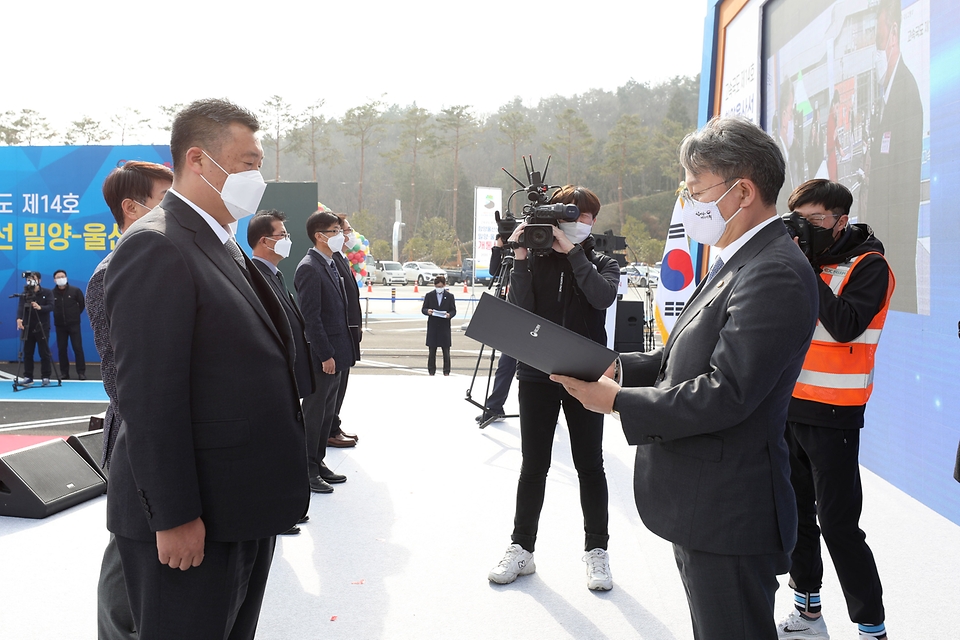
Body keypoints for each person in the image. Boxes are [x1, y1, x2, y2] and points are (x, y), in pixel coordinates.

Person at [552, 117, 820, 638]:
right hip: (702, 501)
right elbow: (683, 357)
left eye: (695, 190)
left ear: (742, 191)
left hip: (730, 511)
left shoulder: (775, 272)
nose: (689, 203)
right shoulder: (736, 259)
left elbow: (727, 392)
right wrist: (616, 367)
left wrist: (617, 402)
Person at [103, 98, 308, 640]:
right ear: (198, 160)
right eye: (247, 163)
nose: (257, 178)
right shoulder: (157, 245)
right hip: (193, 520)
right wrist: (172, 516)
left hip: (238, 505)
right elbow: (148, 399)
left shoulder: (221, 243)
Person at [776, 180, 894, 640]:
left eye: (814, 221)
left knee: (840, 526)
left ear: (840, 220)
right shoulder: (803, 261)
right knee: (797, 515)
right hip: (790, 407)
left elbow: (845, 325)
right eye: (797, 220)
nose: (803, 230)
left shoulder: (869, 265)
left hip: (835, 413)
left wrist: (803, 266)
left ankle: (871, 627)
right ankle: (807, 612)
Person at [488, 185, 620, 591]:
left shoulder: (602, 260)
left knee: (589, 465)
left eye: (588, 217)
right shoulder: (536, 258)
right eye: (574, 216)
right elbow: (522, 310)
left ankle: (597, 551)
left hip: (586, 377)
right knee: (534, 465)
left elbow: (602, 298)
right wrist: (522, 256)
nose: (582, 223)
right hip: (536, 373)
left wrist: (574, 254)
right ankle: (521, 548)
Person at [91, 159, 173, 640]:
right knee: (128, 559)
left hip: (145, 435)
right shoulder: (113, 270)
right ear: (131, 207)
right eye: (166, 200)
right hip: (134, 438)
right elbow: (122, 379)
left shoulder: (151, 259)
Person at [248, 209, 316, 535]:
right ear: (264, 241)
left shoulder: (273, 273)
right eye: (282, 236)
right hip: (271, 382)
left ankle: (283, 507)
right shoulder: (255, 277)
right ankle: (273, 512)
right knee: (267, 453)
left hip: (288, 379)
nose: (288, 241)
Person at [861, 0, 923, 313]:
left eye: (878, 34)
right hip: (885, 233)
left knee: (900, 297)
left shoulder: (906, 92)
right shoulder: (888, 92)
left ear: (894, 32)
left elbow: (904, 180)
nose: (876, 45)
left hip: (896, 234)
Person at [295, 210, 355, 494]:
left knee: (328, 411)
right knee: (315, 413)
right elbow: (312, 318)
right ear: (320, 236)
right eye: (334, 231)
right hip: (325, 355)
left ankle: (318, 463)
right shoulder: (309, 267)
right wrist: (325, 354)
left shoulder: (330, 263)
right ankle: (306, 470)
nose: (341, 236)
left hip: (339, 352)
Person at [327, 212, 362, 448]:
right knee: (333, 389)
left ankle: (334, 424)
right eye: (345, 231)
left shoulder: (340, 257)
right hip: (340, 334)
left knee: (342, 386)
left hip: (349, 333)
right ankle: (329, 429)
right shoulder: (329, 260)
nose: (349, 235)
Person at [477, 237, 516, 424]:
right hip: (512, 318)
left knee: (541, 372)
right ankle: (494, 408)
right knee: (505, 366)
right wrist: (498, 248)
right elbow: (495, 272)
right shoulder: (508, 258)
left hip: (534, 319)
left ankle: (549, 410)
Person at [15, 271, 54, 386]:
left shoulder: (47, 292)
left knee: (44, 352)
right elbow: (21, 307)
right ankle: (28, 376)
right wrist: (19, 318)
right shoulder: (25, 294)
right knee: (28, 353)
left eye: (33, 279)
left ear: (39, 280)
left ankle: (46, 377)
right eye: (29, 279)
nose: (30, 281)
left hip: (42, 326)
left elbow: (51, 306)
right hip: (27, 327)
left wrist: (40, 307)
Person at [775, 76, 804, 216]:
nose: (793, 118)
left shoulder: (789, 154)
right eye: (791, 112)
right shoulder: (775, 156)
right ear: (783, 115)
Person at [51, 269, 86, 380]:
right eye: (58, 277)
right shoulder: (52, 293)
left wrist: (74, 315)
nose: (61, 279)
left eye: (62, 276)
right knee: (62, 349)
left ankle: (81, 372)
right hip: (60, 325)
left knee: (77, 348)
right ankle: (64, 373)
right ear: (54, 280)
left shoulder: (75, 291)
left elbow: (82, 304)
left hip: (74, 324)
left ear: (66, 277)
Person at [420, 274, 456, 376]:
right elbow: (423, 309)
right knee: (432, 351)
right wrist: (428, 311)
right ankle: (431, 371)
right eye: (437, 287)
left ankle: (446, 371)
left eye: (440, 287)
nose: (439, 289)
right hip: (433, 326)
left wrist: (449, 315)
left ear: (444, 285)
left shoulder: (450, 296)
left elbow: (453, 310)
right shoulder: (429, 295)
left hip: (444, 326)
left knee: (446, 351)